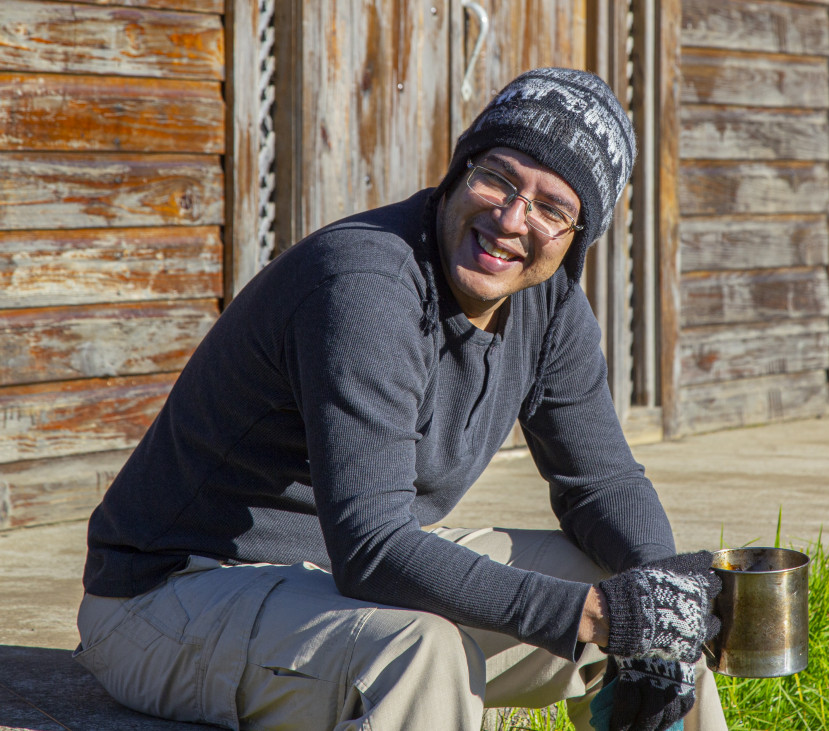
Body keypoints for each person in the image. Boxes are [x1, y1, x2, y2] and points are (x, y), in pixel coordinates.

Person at [74, 68, 728, 731]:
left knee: (648, 596)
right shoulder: (366, 283)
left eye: (550, 208)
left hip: (325, 579)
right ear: (459, 170)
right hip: (169, 596)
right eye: (497, 179)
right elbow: (373, 548)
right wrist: (591, 616)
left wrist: (661, 602)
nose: (510, 220)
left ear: (577, 236)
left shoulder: (549, 307)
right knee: (423, 652)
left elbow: (602, 483)